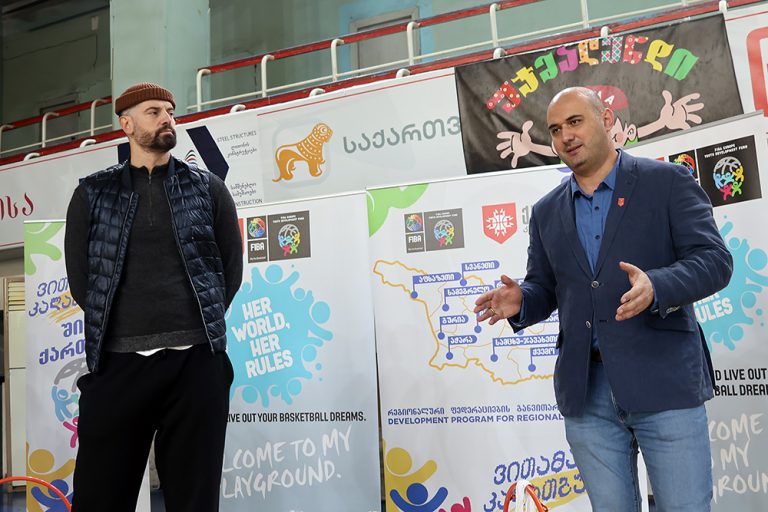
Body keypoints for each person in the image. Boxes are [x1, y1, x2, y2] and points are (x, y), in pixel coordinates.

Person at [474, 87, 732, 511]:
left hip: (665, 380)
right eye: (555, 130)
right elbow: (547, 287)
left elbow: (715, 261)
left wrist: (657, 286)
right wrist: (523, 300)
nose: (566, 136)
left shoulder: (667, 181)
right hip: (587, 394)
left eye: (575, 122)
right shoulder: (546, 211)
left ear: (607, 119)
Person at [64, 82, 243, 512]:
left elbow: (229, 270)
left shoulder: (208, 189)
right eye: (153, 112)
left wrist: (196, 330)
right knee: (100, 497)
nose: (167, 119)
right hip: (118, 366)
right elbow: (82, 280)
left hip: (196, 365)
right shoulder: (92, 194)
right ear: (126, 125)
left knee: (195, 500)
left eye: (170, 111)